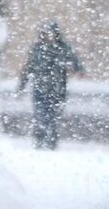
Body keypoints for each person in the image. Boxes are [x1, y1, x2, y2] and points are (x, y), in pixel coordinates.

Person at [18, 21, 84, 149]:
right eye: (46, 33)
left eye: (51, 33)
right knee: (40, 117)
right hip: (39, 89)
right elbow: (28, 68)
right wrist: (21, 86)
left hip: (58, 90)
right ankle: (39, 141)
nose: (49, 36)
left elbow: (75, 62)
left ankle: (51, 143)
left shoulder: (63, 48)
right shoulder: (37, 49)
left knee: (54, 118)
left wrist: (78, 70)